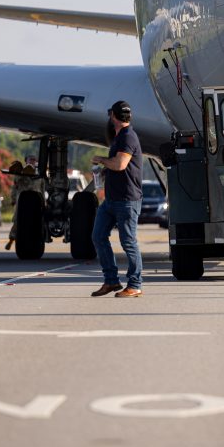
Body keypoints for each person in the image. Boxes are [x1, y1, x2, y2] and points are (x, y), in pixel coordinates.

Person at [90, 100, 145, 298]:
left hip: (127, 199)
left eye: (109, 113)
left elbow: (121, 164)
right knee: (98, 236)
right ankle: (111, 281)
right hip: (112, 199)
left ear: (113, 115)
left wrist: (101, 160)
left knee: (128, 242)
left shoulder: (128, 136)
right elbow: (121, 166)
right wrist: (105, 170)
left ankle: (135, 284)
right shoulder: (120, 137)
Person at [5, 154, 45, 251]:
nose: (32, 161)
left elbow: (42, 189)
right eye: (30, 159)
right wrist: (13, 199)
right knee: (17, 220)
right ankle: (12, 239)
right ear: (26, 161)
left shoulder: (39, 174)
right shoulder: (20, 173)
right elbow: (15, 187)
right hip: (22, 201)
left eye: (34, 160)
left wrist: (44, 202)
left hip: (36, 201)